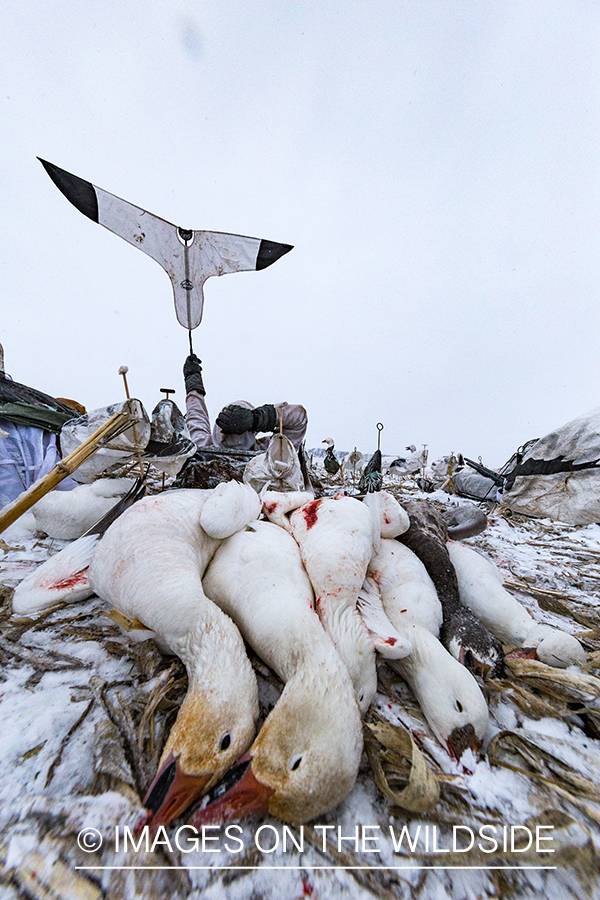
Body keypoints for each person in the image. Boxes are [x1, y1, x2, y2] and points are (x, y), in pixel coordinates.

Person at [183, 354, 307, 452]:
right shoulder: (270, 454)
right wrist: (259, 419)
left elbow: (196, 414)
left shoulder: (203, 447)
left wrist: (193, 380)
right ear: (252, 432)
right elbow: (299, 418)